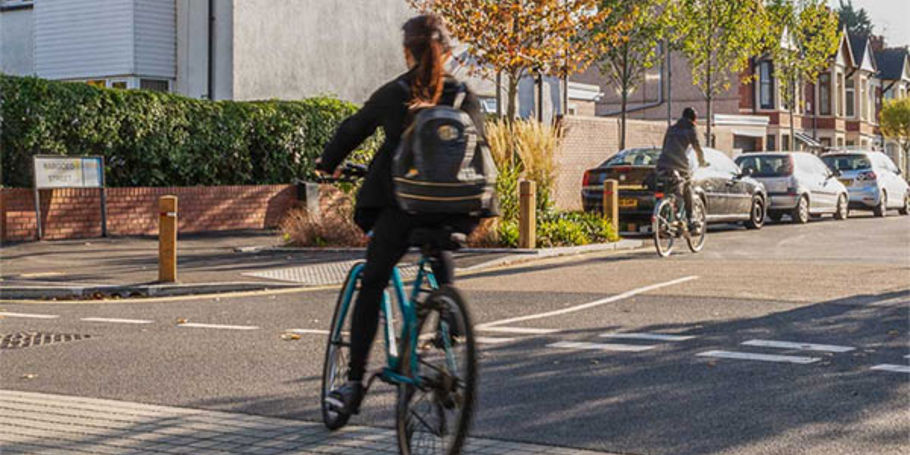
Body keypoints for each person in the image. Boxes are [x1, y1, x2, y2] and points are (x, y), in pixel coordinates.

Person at [315, 14, 485, 417]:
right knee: (439, 243)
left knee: (373, 281)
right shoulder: (465, 96)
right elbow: (482, 148)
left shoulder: (396, 92)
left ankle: (353, 383)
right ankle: (448, 313)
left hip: (401, 208)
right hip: (455, 210)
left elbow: (353, 129)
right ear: (447, 52)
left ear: (407, 51)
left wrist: (327, 163)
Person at [656, 107, 708, 231]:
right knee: (687, 186)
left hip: (663, 162)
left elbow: (664, 146)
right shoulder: (690, 129)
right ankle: (690, 219)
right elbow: (697, 147)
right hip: (679, 164)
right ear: (694, 119)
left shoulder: (671, 128)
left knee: (669, 187)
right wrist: (702, 161)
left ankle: (666, 214)